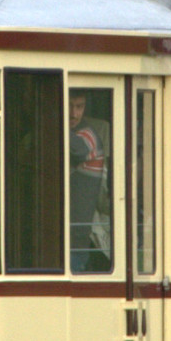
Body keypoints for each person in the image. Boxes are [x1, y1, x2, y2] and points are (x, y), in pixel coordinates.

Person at [69, 92, 112, 272]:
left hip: (77, 242)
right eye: (69, 106)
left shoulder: (88, 136)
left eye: (79, 107)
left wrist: (54, 117)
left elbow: (77, 149)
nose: (73, 114)